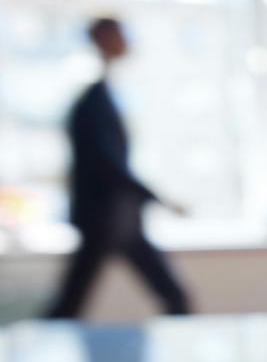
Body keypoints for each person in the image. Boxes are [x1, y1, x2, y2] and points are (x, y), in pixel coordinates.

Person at [46, 18, 192, 319]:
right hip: (104, 220)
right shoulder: (92, 101)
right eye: (120, 35)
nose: (126, 41)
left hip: (121, 219)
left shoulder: (105, 96)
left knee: (174, 296)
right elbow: (109, 165)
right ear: (104, 39)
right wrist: (161, 199)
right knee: (68, 306)